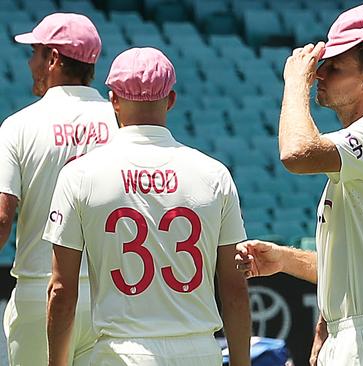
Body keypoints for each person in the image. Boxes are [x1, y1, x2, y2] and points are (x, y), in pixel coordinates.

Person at [236, 3, 363, 366]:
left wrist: (294, 84)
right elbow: (361, 268)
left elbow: (296, 153)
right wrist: (285, 258)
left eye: (335, 67)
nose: (320, 73)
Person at [43, 47, 251, 366]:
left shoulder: (79, 174)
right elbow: (234, 288)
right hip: (198, 351)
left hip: (121, 352)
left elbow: (61, 289)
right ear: (170, 100)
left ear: (113, 100)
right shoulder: (214, 174)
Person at [0, 13, 116, 365]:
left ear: (53, 59)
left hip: (42, 290)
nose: (31, 63)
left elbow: (2, 217)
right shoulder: (121, 121)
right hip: (114, 297)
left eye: (35, 53)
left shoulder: (19, 125)